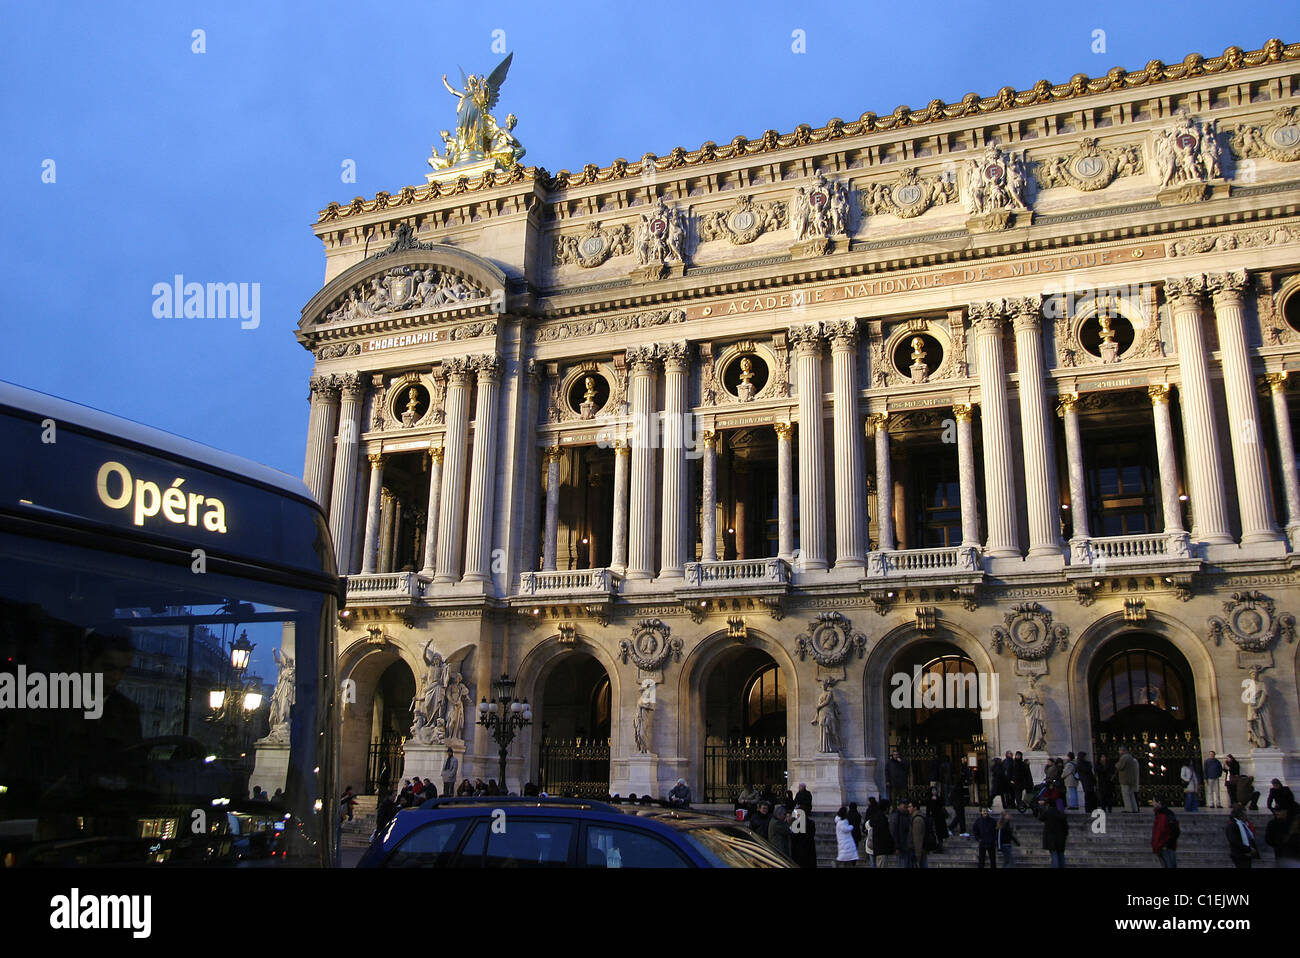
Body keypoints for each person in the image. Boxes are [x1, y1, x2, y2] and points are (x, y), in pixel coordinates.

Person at [1225, 804, 1259, 868]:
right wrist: (1248, 849)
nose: (1246, 817)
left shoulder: (1243, 825)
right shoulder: (1233, 826)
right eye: (1245, 815)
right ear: (1240, 816)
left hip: (1246, 854)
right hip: (1240, 855)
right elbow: (1235, 841)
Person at [1039, 796, 1069, 868]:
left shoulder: (1048, 812)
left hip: (1051, 838)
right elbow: (1066, 827)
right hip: (1061, 838)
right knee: (1061, 856)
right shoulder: (1061, 814)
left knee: (1054, 855)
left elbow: (1041, 818)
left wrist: (1042, 808)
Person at [865, 800, 894, 868]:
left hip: (876, 848)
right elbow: (885, 835)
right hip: (882, 848)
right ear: (886, 808)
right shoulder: (882, 818)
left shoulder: (875, 816)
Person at [1152, 797, 1179, 868]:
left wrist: (1167, 844)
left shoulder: (1167, 814)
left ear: (1159, 802)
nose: (1153, 803)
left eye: (1154, 802)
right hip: (1159, 846)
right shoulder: (1158, 814)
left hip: (1166, 846)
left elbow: (1175, 830)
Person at [1115, 746, 1140, 812]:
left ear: (1123, 751)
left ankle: (1128, 809)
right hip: (1131, 779)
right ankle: (1135, 808)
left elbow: (1119, 766)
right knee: (1131, 795)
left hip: (1125, 779)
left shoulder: (1124, 757)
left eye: (1120, 750)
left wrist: (1116, 764)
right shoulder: (1131, 757)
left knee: (1126, 795)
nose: (1119, 752)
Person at [891, 800, 914, 869]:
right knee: (902, 864)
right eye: (904, 806)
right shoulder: (896, 816)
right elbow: (894, 832)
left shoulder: (908, 816)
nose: (906, 808)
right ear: (899, 806)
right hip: (901, 846)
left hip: (908, 846)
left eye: (907, 806)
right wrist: (896, 846)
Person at [925, 786, 948, 852]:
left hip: (939, 818)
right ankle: (935, 845)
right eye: (933, 791)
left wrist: (937, 800)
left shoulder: (939, 798)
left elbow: (941, 805)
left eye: (935, 790)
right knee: (935, 833)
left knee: (939, 833)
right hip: (933, 818)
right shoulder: (929, 799)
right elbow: (928, 809)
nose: (934, 792)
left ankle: (940, 846)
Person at [949, 767, 969, 835]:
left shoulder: (956, 786)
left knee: (959, 817)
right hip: (958, 803)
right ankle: (962, 831)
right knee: (960, 817)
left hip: (958, 803)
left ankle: (951, 828)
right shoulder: (958, 786)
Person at [911, 801, 930, 869]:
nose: (908, 808)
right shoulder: (917, 817)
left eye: (910, 807)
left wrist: (917, 854)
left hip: (919, 850)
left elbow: (917, 838)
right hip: (921, 849)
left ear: (915, 808)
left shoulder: (917, 820)